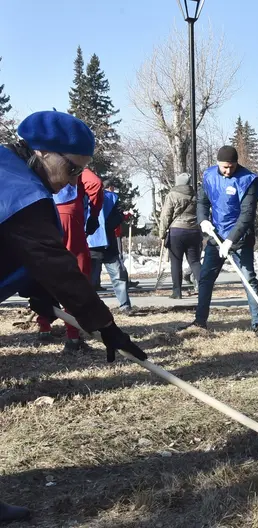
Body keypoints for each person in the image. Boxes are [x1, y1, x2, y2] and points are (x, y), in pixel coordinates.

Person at [0, 111, 147, 522]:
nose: (71, 181)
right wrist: (106, 326)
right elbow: (55, 264)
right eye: (70, 168)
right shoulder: (20, 193)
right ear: (43, 151)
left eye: (80, 173)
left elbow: (18, 255)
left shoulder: (7, 168)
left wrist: (39, 299)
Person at [181, 146, 258, 337]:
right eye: (225, 167)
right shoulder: (209, 176)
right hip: (216, 236)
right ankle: (200, 321)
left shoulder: (248, 181)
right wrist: (203, 220)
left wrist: (230, 240)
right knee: (205, 278)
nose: (228, 171)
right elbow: (202, 202)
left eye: (232, 167)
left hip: (240, 238)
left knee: (248, 278)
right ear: (218, 163)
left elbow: (247, 215)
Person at [36, 166, 104, 352]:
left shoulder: (40, 158)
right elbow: (95, 184)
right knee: (76, 273)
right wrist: (94, 214)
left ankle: (44, 326)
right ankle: (73, 336)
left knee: (43, 269)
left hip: (42, 213)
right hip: (69, 217)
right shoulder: (74, 161)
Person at [88, 183, 134, 313]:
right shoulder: (83, 196)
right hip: (93, 244)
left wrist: (107, 227)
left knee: (118, 275)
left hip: (106, 243)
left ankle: (125, 305)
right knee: (90, 279)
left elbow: (118, 215)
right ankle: (91, 309)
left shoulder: (111, 198)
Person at [160, 173, 202, 299]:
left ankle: (177, 292)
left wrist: (162, 233)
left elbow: (166, 215)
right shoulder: (196, 195)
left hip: (176, 231)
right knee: (194, 262)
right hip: (194, 231)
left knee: (176, 262)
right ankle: (203, 289)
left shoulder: (172, 195)